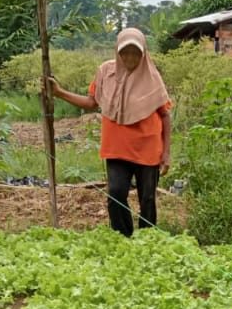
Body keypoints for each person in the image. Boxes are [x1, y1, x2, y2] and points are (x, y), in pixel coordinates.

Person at [48, 28, 172, 237]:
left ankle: (149, 240)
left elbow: (166, 115)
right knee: (115, 194)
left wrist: (166, 153)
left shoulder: (151, 76)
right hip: (116, 149)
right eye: (125, 52)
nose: (130, 57)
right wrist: (59, 92)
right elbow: (91, 102)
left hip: (148, 149)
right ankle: (123, 238)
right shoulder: (106, 72)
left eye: (135, 53)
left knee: (148, 199)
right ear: (117, 51)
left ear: (143, 54)